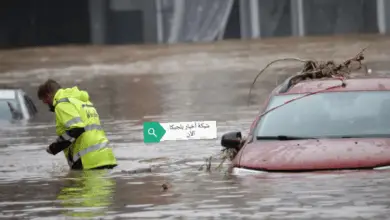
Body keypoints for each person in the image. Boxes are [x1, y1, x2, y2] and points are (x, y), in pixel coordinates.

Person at [37, 79, 117, 170]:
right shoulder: (82, 102)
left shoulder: (62, 104)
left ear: (48, 95)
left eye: (44, 100)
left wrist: (54, 147)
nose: (45, 103)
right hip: (106, 157)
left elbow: (76, 129)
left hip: (88, 162)